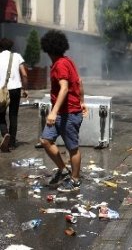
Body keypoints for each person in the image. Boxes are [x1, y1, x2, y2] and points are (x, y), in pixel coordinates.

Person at [39, 30, 87, 192]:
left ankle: (75, 179)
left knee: (72, 148)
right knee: (46, 140)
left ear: (48, 49)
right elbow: (79, 82)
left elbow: (65, 88)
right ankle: (63, 169)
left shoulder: (60, 64)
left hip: (69, 113)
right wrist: (82, 101)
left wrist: (53, 112)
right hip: (64, 112)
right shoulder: (67, 61)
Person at [0, 38, 28, 152]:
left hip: (1, 90)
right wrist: (25, 89)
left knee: (0, 115)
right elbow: (24, 74)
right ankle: (11, 143)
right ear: (11, 46)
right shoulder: (17, 56)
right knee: (13, 115)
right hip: (16, 89)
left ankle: (5, 133)